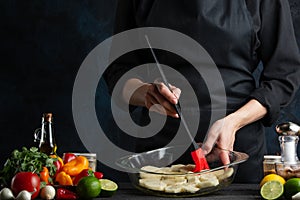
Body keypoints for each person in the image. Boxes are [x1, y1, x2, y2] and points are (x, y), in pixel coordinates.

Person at [103, 0, 300, 183]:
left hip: (236, 154)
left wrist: (233, 122)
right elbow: (119, 72)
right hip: (160, 156)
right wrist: (146, 93)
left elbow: (284, 76)